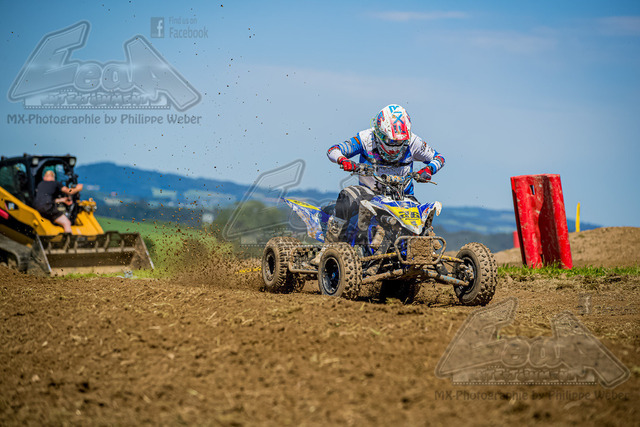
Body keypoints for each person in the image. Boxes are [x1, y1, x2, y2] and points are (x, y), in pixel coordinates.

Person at [326, 104, 445, 242]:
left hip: (403, 195)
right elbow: (333, 150)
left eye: (400, 141)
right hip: (369, 194)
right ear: (379, 133)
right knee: (347, 195)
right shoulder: (366, 138)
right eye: (390, 140)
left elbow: (439, 158)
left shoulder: (414, 142)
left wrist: (428, 169)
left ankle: (425, 246)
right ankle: (331, 241)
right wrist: (343, 160)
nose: (394, 146)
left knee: (421, 222)